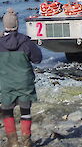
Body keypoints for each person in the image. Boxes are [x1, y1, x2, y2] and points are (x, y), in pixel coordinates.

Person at [0, 8, 42, 147]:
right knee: (25, 111)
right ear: (17, 25)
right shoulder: (26, 43)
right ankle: (26, 141)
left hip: (5, 83)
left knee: (7, 112)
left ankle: (12, 142)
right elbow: (37, 59)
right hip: (25, 83)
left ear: (4, 25)